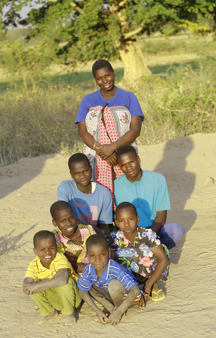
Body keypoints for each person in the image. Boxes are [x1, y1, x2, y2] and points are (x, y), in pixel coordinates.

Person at [75, 59, 144, 194]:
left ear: (113, 74)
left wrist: (112, 148)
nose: (104, 80)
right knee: (101, 193)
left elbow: (135, 130)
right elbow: (82, 132)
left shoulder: (129, 97)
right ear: (95, 80)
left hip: (124, 153)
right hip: (97, 154)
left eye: (107, 75)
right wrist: (102, 152)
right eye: (99, 78)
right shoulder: (88, 100)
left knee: (128, 192)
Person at [114, 145, 185, 250]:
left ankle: (158, 252)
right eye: (124, 165)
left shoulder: (158, 180)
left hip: (153, 230)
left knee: (176, 230)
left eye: (131, 162)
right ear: (119, 167)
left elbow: (161, 215)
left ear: (138, 159)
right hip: (128, 233)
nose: (129, 168)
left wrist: (146, 237)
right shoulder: (116, 185)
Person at [77, 234, 141, 325]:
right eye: (92, 256)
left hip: (128, 298)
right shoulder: (88, 269)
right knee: (86, 285)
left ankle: (118, 309)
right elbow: (82, 292)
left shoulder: (114, 268)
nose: (98, 260)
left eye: (102, 255)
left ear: (109, 253)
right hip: (109, 295)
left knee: (113, 285)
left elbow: (135, 290)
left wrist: (119, 312)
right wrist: (97, 311)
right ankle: (110, 307)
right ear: (87, 256)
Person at [113, 202, 169, 302]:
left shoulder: (146, 234)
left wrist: (147, 287)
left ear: (137, 219)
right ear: (116, 223)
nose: (126, 224)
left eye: (130, 219)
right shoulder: (116, 239)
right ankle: (133, 285)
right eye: (121, 220)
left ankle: (152, 283)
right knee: (115, 255)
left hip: (150, 272)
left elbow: (163, 260)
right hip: (132, 274)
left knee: (145, 251)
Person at [23, 230, 81, 325]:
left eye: (52, 248)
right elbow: (26, 287)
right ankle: (49, 311)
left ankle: (69, 313)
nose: (47, 252)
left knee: (66, 282)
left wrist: (37, 285)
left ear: (56, 247)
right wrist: (32, 286)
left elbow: (62, 280)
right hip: (55, 299)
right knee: (31, 286)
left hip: (72, 300)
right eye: (42, 249)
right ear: (35, 251)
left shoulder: (59, 258)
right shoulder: (33, 265)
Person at [57, 153, 113, 240]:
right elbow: (64, 218)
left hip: (93, 238)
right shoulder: (65, 187)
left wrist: (103, 233)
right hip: (71, 234)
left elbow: (105, 226)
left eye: (85, 171)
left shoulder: (104, 193)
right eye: (77, 173)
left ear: (91, 169)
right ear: (71, 174)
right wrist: (92, 230)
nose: (82, 176)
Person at [50, 200, 95, 273]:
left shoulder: (88, 231)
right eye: (63, 220)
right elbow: (59, 265)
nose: (68, 223)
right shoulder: (54, 239)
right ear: (54, 222)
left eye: (71, 217)